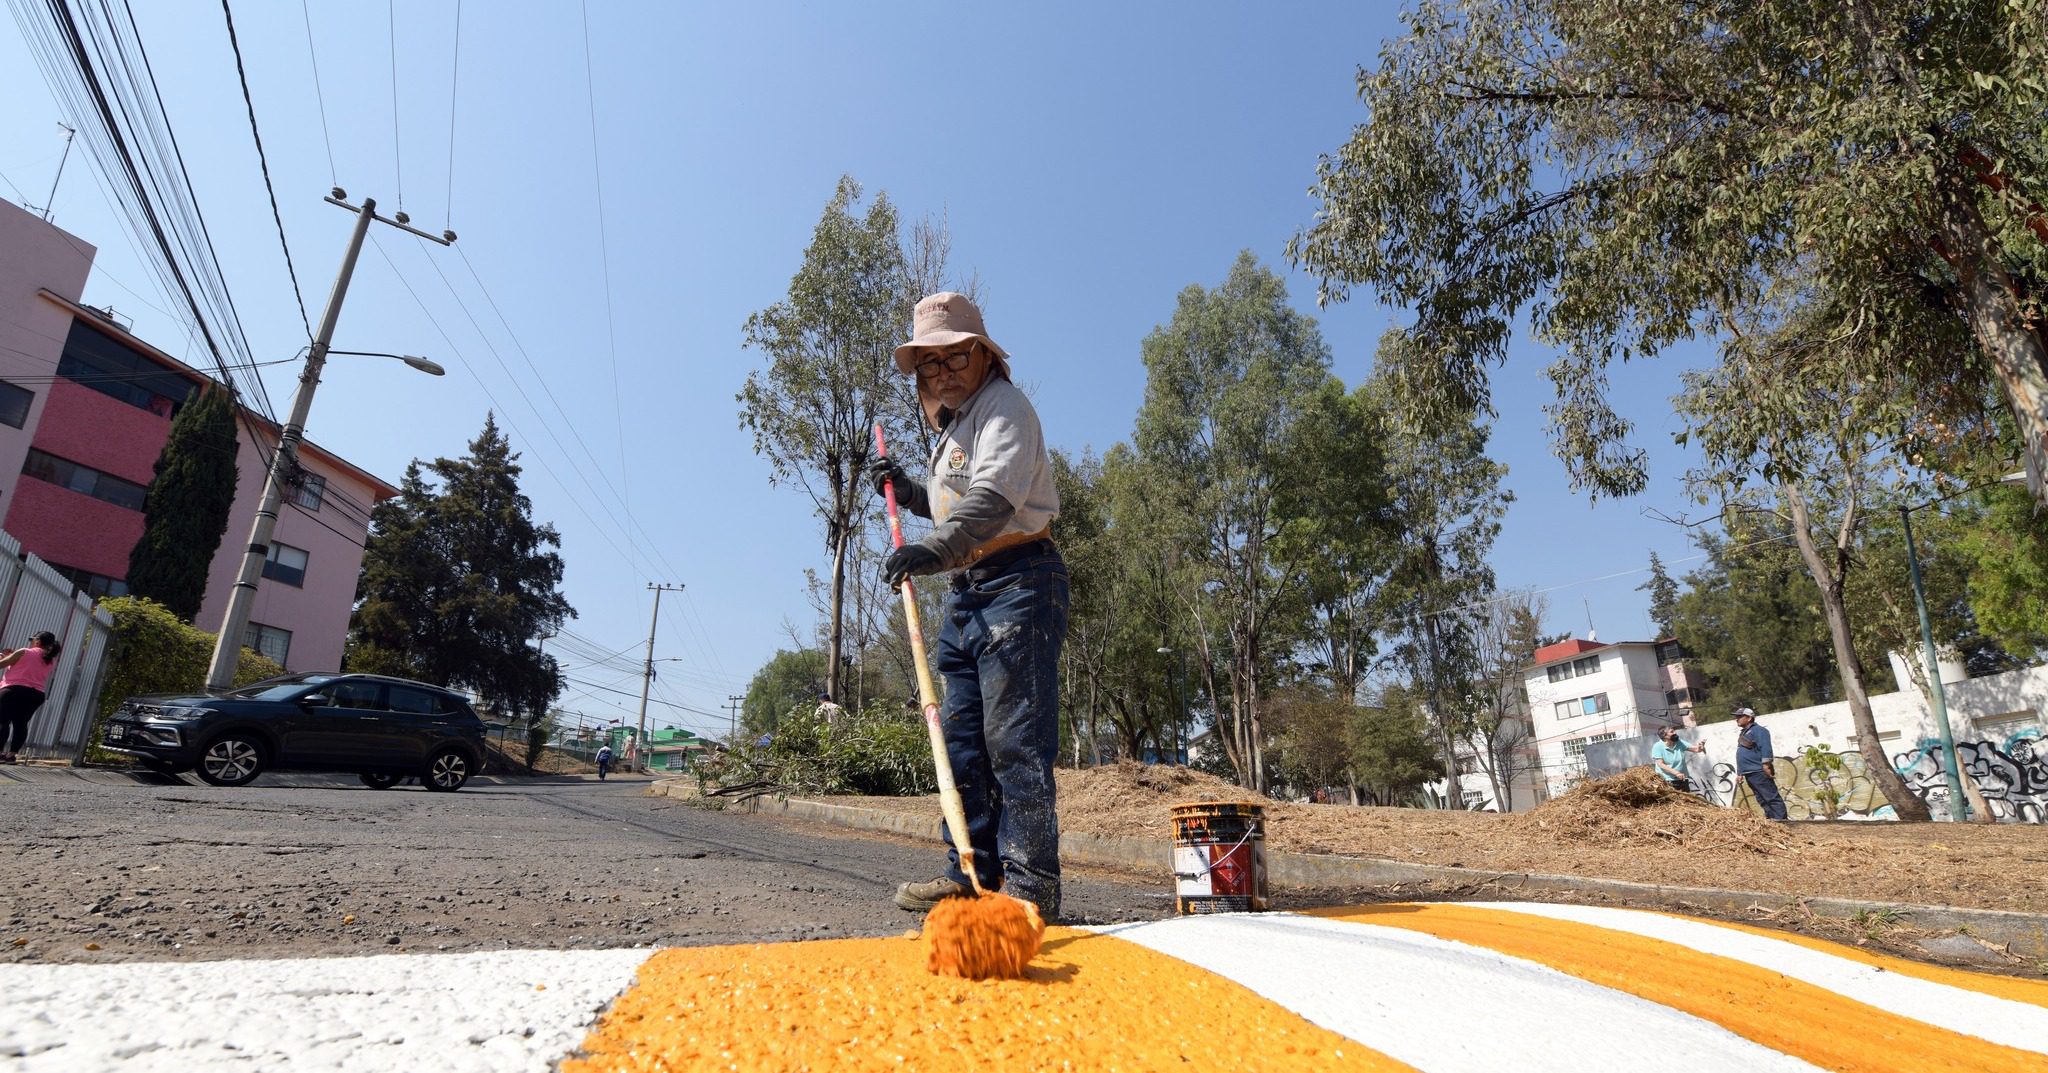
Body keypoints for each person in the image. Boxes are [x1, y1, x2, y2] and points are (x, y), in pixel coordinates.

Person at [869, 292, 1069, 922]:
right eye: (930, 364)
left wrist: (935, 548)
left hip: (1019, 581)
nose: (943, 372)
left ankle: (1032, 890)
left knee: (1014, 742)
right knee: (962, 745)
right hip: (969, 592)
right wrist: (910, 492)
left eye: (956, 356)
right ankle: (970, 873)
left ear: (983, 353)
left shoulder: (1004, 408)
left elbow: (992, 502)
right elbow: (954, 499)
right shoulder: (957, 424)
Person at [0, 631, 62, 763]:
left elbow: (2, 664)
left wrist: (3, 657)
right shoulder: (50, 660)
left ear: (38, 641)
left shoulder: (24, 651)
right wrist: (13, 657)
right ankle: (11, 755)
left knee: (3, 721)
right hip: (35, 694)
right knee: (21, 723)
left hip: (13, 689)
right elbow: (28, 667)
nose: (31, 642)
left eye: (32, 640)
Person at [1733, 706, 1789, 820]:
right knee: (1762, 799)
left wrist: (1766, 765)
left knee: (1771, 798)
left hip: (1758, 771)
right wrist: (1739, 773)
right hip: (1749, 772)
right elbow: (1742, 753)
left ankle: (1783, 822)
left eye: (1739, 716)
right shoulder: (1745, 733)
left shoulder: (1759, 731)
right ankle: (1772, 821)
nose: (1736, 719)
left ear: (1749, 718)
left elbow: (1766, 748)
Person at [1651, 724, 1706, 793]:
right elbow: (1660, 764)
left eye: (1674, 731)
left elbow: (1696, 749)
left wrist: (1700, 747)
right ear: (1665, 736)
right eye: (1672, 732)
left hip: (1682, 779)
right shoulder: (1658, 746)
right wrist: (1676, 773)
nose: (1675, 733)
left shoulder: (1679, 742)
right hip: (1666, 781)